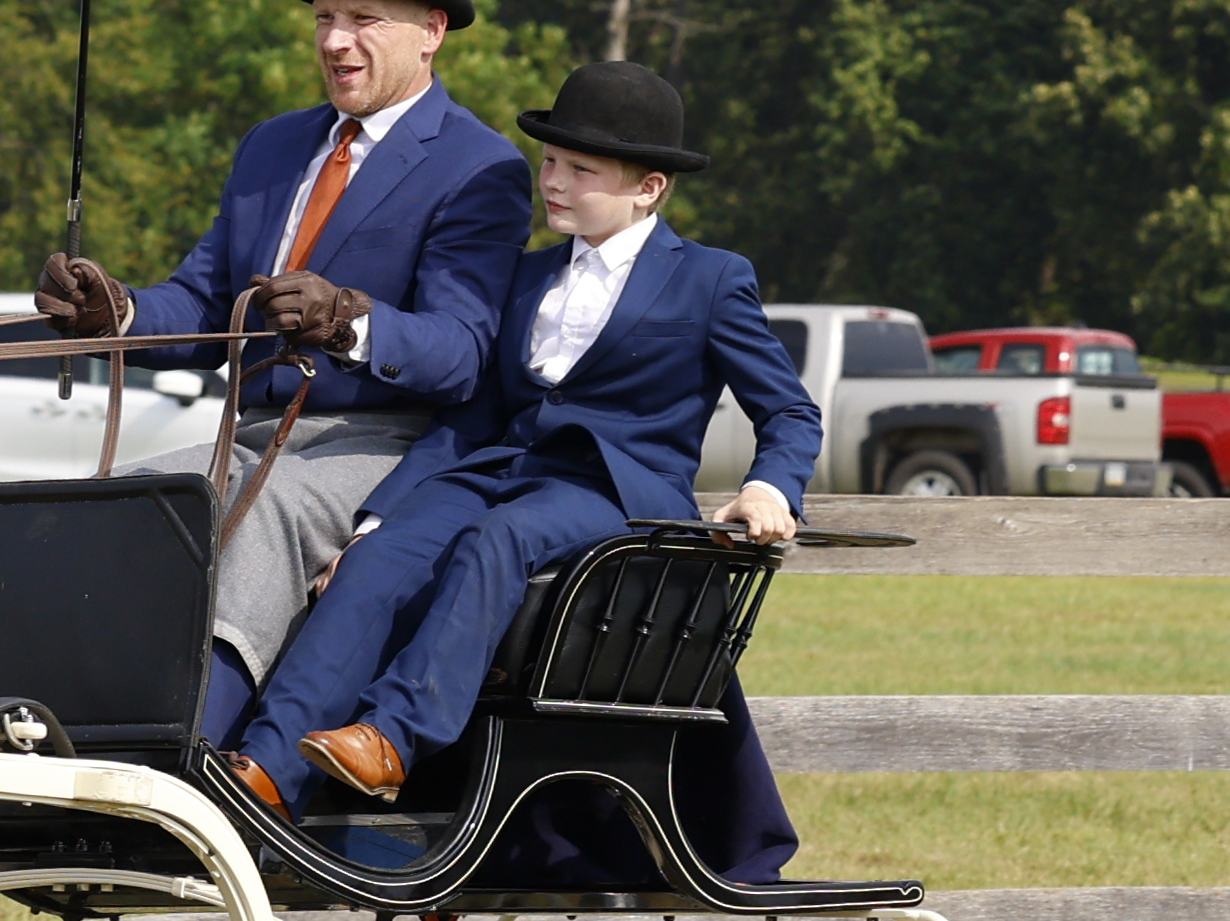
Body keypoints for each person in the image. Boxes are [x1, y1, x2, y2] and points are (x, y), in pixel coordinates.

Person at [214, 60, 818, 815]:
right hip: (499, 466)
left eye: (580, 170)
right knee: (379, 557)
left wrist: (769, 487)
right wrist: (378, 516)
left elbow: (790, 411)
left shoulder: (711, 278)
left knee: (498, 539)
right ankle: (268, 767)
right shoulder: (525, 276)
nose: (553, 182)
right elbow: (472, 417)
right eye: (550, 162)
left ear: (649, 188)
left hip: (613, 489)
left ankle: (392, 738)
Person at [32, 0, 531, 742]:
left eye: (362, 20)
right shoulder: (271, 148)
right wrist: (113, 311)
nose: (335, 42)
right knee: (125, 501)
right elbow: (202, 303)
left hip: (382, 445)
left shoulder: (478, 167)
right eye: (323, 19)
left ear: (431, 32)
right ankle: (69, 729)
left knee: (264, 512)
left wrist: (350, 323)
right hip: (255, 430)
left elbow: (462, 351)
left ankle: (200, 756)